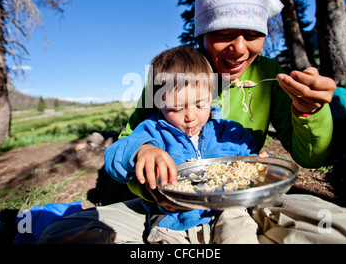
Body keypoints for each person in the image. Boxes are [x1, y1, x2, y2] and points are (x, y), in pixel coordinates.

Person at [38, 0, 346, 244]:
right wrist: (147, 176)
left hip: (242, 205)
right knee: (63, 234)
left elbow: (311, 158)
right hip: (168, 214)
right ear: (202, 32)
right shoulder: (176, 75)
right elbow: (129, 142)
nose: (239, 48)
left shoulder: (271, 78)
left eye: (252, 34)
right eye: (224, 33)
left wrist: (309, 114)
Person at [104, 46, 266, 243]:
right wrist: (141, 150)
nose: (190, 116)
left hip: (226, 211)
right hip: (171, 220)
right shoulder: (152, 131)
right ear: (159, 103)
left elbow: (251, 162)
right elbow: (114, 160)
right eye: (176, 108)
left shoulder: (227, 132)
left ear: (211, 95)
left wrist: (262, 163)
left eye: (200, 104)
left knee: (240, 230)